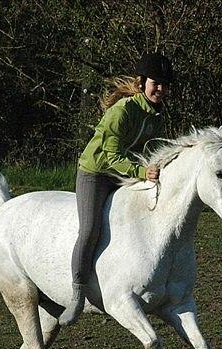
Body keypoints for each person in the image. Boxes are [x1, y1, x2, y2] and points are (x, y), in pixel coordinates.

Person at [62, 52, 173, 323]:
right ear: (142, 83)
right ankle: (77, 293)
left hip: (124, 175)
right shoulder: (122, 111)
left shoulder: (156, 115)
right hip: (96, 172)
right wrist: (141, 172)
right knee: (90, 228)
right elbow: (111, 157)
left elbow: (149, 150)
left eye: (164, 84)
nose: (160, 88)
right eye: (155, 83)